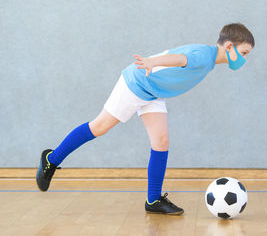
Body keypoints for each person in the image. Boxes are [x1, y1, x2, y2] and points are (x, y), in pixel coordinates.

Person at [36, 23, 255, 215]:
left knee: (161, 141)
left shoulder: (208, 58)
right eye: (244, 53)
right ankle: (51, 159)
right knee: (99, 127)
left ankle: (153, 200)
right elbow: (179, 59)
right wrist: (152, 61)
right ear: (229, 47)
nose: (244, 59)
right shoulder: (204, 56)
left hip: (153, 92)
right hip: (137, 84)